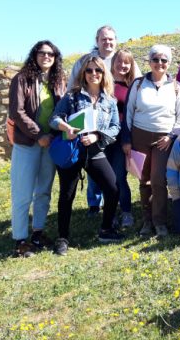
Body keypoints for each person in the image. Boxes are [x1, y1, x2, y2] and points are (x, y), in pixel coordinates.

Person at [50, 55, 123, 256]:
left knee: (113, 187)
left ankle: (106, 229)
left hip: (94, 150)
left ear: (103, 73)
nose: (93, 74)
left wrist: (97, 135)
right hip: (72, 150)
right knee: (67, 194)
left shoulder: (109, 100)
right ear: (83, 73)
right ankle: (62, 238)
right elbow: (54, 118)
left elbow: (116, 126)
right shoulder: (72, 96)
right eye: (89, 70)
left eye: (97, 70)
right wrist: (65, 126)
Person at [68, 26, 141, 217]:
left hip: (120, 131)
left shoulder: (124, 61)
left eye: (111, 39)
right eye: (104, 39)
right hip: (94, 128)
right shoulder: (87, 62)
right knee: (94, 170)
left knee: (117, 173)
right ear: (97, 40)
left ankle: (123, 209)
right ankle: (94, 204)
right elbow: (74, 89)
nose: (107, 42)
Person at [7, 40, 66, 257]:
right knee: (22, 193)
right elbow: (17, 111)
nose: (46, 57)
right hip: (27, 144)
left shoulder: (58, 81)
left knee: (43, 191)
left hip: (50, 143)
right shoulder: (22, 79)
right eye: (42, 53)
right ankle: (20, 240)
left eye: (51, 54)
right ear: (35, 55)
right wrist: (38, 134)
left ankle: (38, 232)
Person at [123, 45, 180, 237]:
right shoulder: (138, 84)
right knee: (144, 180)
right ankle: (147, 221)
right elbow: (128, 112)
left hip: (163, 139)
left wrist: (171, 136)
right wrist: (126, 139)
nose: (160, 63)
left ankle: (160, 222)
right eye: (156, 59)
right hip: (139, 136)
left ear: (169, 64)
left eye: (164, 60)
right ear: (149, 62)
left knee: (159, 180)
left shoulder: (176, 86)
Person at [84, 50, 140, 229]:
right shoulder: (104, 83)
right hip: (100, 136)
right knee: (103, 178)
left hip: (120, 138)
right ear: (113, 63)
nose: (122, 66)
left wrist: (128, 139)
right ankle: (110, 211)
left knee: (118, 177)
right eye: (119, 62)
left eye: (127, 63)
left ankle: (126, 211)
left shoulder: (134, 86)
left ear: (131, 65)